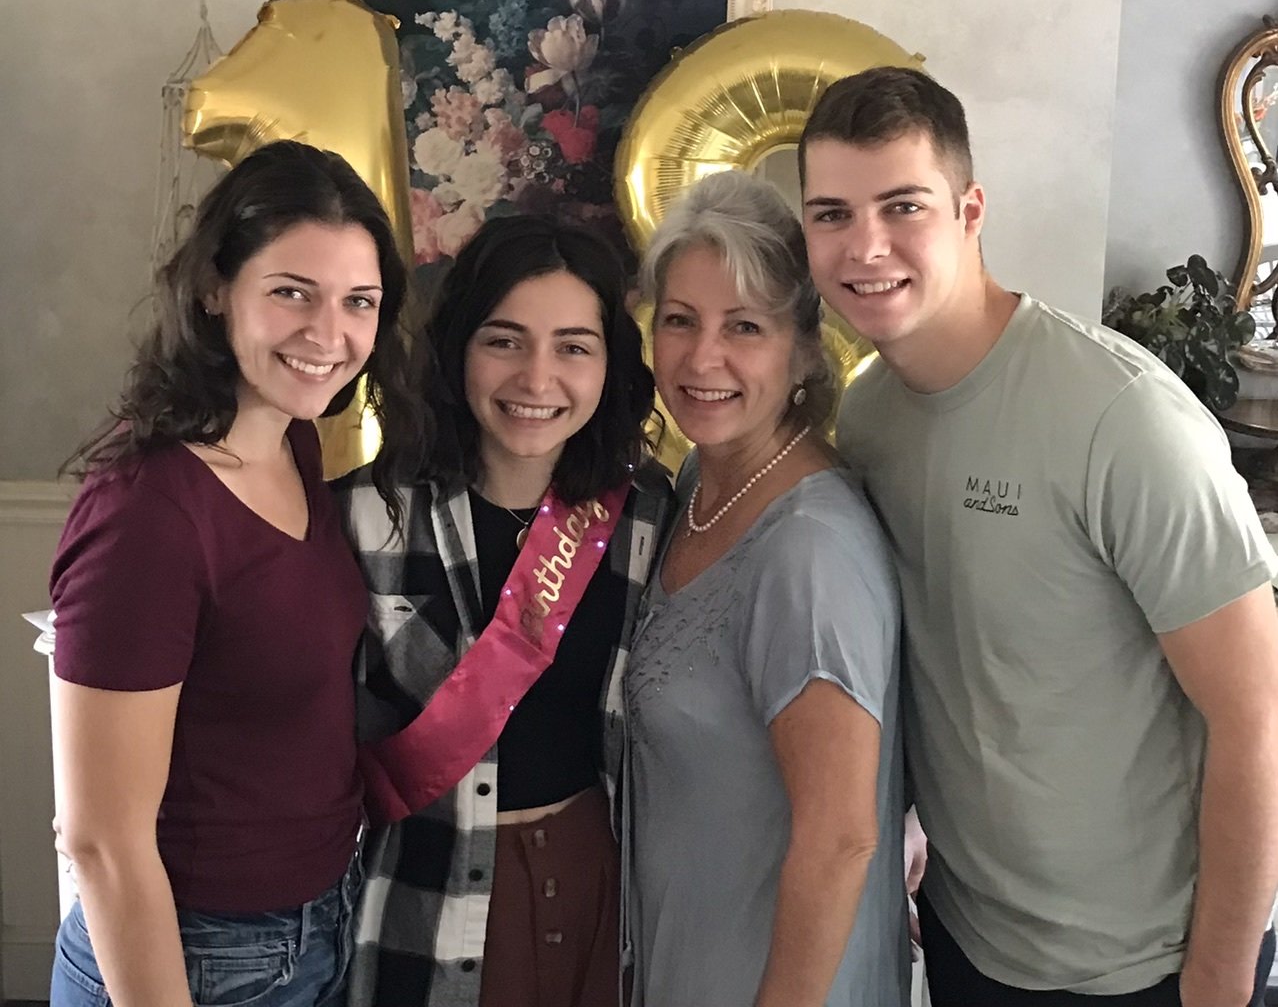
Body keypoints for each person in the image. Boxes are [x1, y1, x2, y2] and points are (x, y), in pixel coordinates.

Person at [798, 65, 1278, 1007]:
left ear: (970, 212)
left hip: (1142, 965)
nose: (866, 246)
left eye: (903, 207)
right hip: (966, 937)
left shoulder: (1120, 418)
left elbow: (1257, 715)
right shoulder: (869, 417)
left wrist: (1218, 980)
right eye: (832, 214)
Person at [48, 141, 421, 1007]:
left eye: (358, 302)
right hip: (192, 953)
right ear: (216, 288)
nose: (329, 335)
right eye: (292, 292)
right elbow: (101, 841)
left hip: (319, 923)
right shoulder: (148, 513)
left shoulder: (295, 445)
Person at [338, 214, 672, 1007]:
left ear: (611, 364)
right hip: (425, 900)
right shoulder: (365, 517)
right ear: (458, 347)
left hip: (605, 893)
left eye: (573, 347)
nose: (536, 378)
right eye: (504, 340)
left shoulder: (652, 518)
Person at [625, 170, 909, 1007]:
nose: (701, 357)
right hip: (685, 955)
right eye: (679, 319)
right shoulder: (699, 483)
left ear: (804, 349)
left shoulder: (808, 549)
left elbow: (842, 840)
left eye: (744, 326)